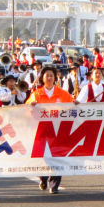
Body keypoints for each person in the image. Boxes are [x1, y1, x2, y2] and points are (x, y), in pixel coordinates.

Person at [28, 66, 74, 194]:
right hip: (41, 130)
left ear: (55, 78)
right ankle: (42, 177)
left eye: (51, 75)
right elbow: (27, 107)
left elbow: (71, 105)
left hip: (59, 130)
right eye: (47, 75)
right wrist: (31, 105)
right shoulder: (37, 94)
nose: (49, 78)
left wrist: (75, 103)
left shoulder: (63, 94)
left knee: (58, 156)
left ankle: (54, 184)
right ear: (42, 78)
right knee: (43, 157)